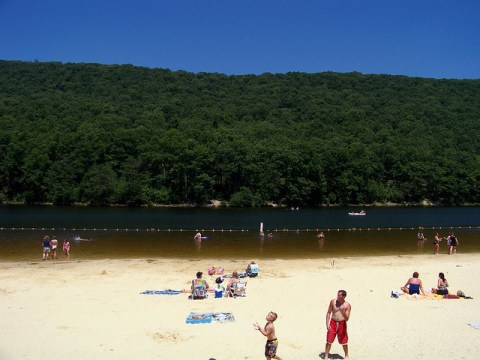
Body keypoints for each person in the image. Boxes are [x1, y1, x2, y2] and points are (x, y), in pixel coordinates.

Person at [323, 290, 351, 360]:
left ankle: (346, 355)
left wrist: (343, 312)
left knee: (344, 341)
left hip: (342, 323)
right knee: (329, 340)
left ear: (343, 296)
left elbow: (347, 318)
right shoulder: (333, 302)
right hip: (333, 323)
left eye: (339, 295)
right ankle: (326, 355)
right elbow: (329, 312)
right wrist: (327, 323)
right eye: (337, 295)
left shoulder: (347, 305)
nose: (337, 296)